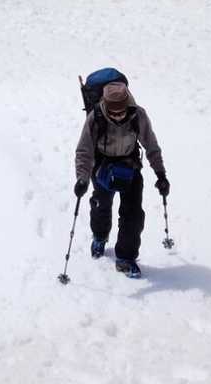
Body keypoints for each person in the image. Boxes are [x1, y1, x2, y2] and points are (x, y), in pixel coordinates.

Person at [73, 80, 168, 278]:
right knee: (101, 206)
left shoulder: (138, 115)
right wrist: (82, 179)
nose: (118, 116)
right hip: (102, 168)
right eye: (113, 112)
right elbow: (84, 151)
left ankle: (125, 258)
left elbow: (151, 145)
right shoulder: (95, 117)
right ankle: (100, 237)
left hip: (130, 167)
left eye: (121, 112)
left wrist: (160, 174)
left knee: (133, 215)